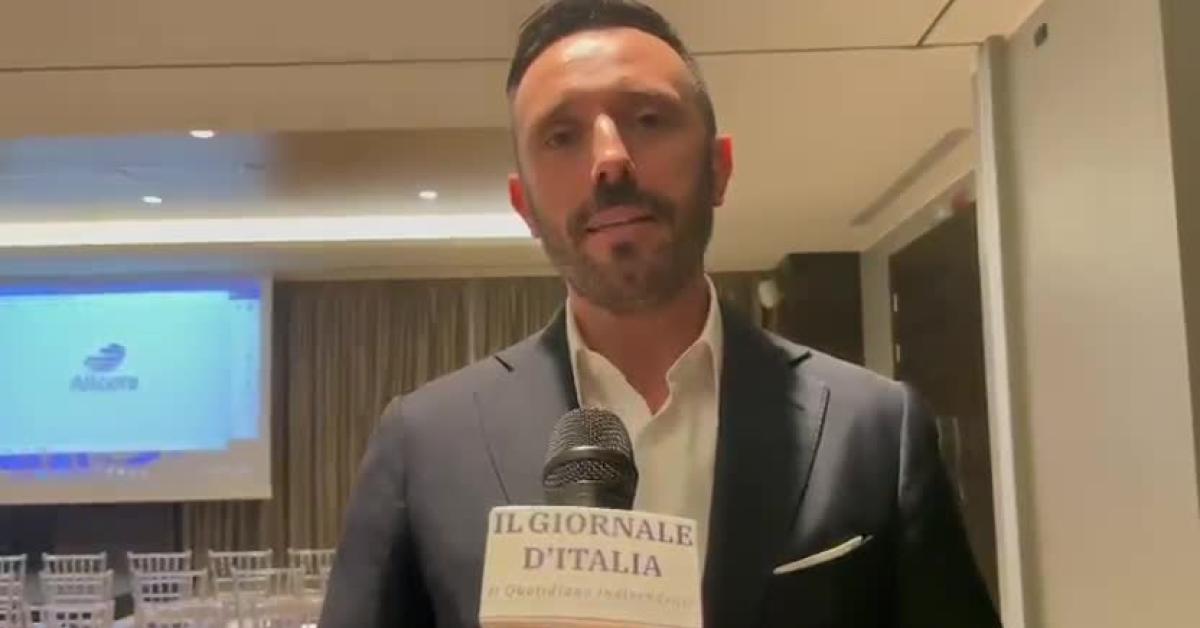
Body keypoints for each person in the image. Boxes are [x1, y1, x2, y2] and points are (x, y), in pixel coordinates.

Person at [320, 1, 1000, 626]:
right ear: (524, 206)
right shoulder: (424, 445)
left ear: (719, 167)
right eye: (562, 135)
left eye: (648, 120)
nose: (610, 160)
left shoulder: (875, 430)